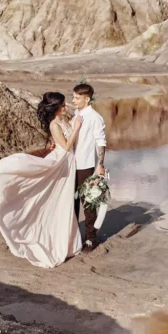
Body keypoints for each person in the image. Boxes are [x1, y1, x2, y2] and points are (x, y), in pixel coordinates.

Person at [0, 92, 83, 268]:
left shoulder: (63, 119)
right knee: (57, 198)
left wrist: (70, 127)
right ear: (55, 107)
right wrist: (76, 128)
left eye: (65, 104)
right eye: (63, 105)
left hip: (67, 161)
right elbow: (66, 147)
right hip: (62, 161)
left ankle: (68, 242)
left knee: (63, 202)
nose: (65, 107)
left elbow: (62, 140)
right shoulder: (54, 124)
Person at [71, 83, 107, 253]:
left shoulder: (95, 117)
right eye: (73, 97)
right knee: (72, 202)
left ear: (87, 99)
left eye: (77, 98)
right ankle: (74, 236)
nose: (73, 100)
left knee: (89, 203)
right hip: (71, 165)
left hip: (86, 166)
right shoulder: (76, 113)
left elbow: (101, 142)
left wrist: (100, 164)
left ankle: (91, 239)